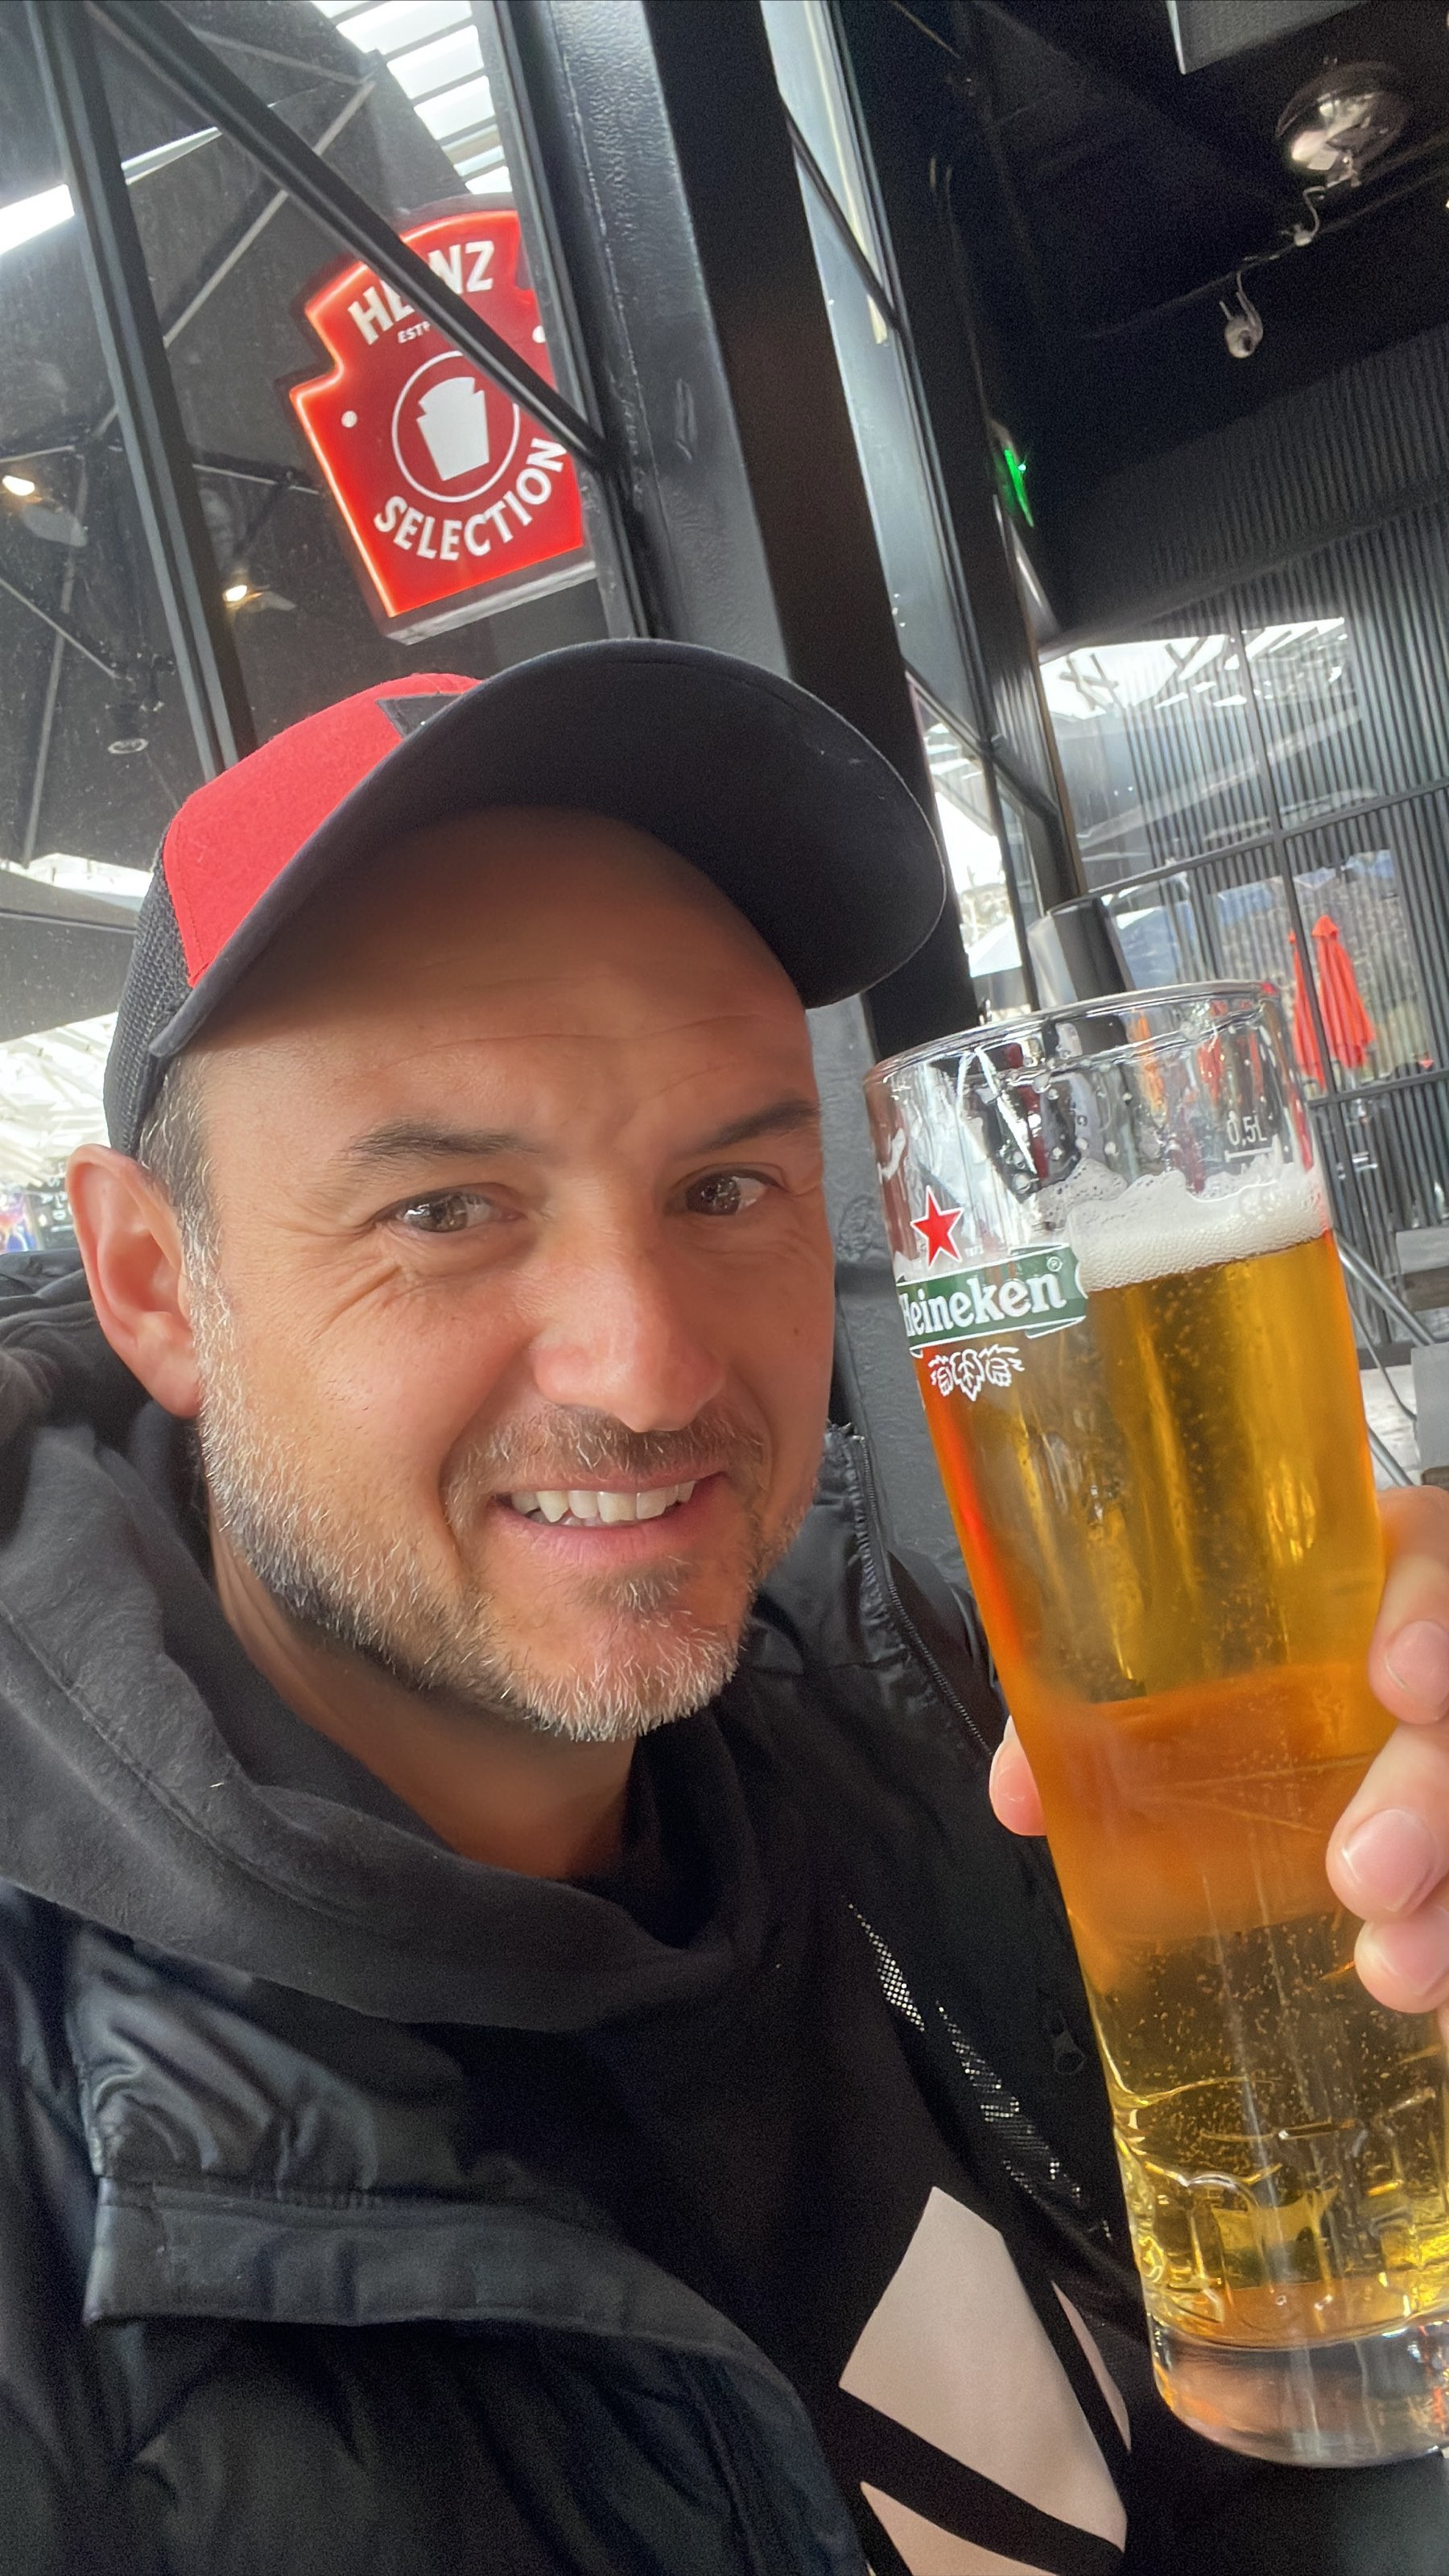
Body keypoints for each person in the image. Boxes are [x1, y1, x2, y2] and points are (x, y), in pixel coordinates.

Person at [1, 639, 1447, 2576]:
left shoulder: (934, 1716)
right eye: (446, 1209)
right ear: (153, 1280)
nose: (652, 1367)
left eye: (727, 1187)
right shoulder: (60, 2243)